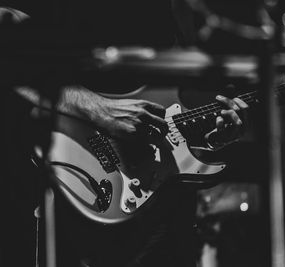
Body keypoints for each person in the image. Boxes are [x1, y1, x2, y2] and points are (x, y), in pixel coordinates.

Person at [0, 1, 250, 267]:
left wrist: (213, 135)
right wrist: (99, 109)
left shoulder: (184, 13)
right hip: (64, 178)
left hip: (160, 206)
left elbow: (174, 106)